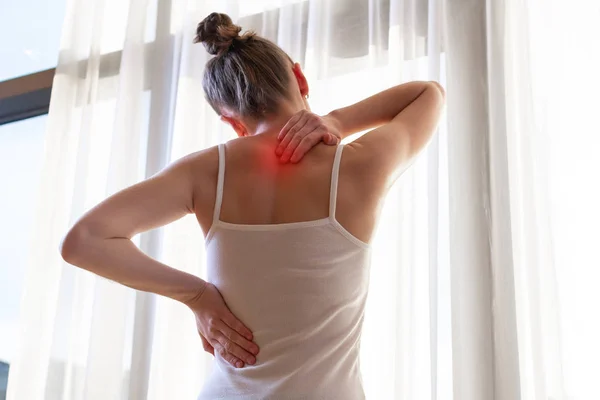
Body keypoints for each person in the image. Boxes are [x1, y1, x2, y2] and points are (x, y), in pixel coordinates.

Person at [59, 11, 445, 400]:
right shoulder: (361, 164)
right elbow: (428, 93)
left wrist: (197, 296)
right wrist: (337, 121)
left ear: (231, 121)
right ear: (300, 77)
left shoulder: (205, 172)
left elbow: (84, 240)